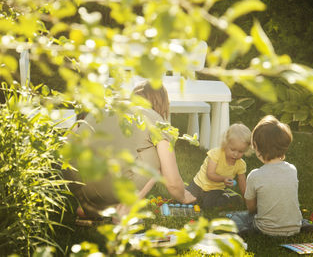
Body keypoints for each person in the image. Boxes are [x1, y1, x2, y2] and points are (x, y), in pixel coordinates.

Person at [64, 80, 196, 218]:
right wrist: (184, 196)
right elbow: (172, 182)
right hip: (109, 185)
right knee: (158, 161)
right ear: (162, 103)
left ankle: (89, 207)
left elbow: (71, 137)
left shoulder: (110, 108)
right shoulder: (155, 119)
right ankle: (123, 211)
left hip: (77, 180)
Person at [230, 115, 313, 236]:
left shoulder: (255, 175)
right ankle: (305, 225)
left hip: (266, 229)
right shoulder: (292, 170)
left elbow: (251, 207)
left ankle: (245, 231)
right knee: (291, 215)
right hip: (294, 226)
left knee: (236, 216)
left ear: (257, 147)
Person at [186, 123, 252, 209]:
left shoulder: (240, 164)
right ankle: (186, 189)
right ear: (225, 144)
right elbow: (210, 174)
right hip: (198, 185)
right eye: (232, 149)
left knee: (209, 205)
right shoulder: (216, 153)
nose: (236, 154)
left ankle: (229, 197)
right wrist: (223, 179)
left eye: (240, 152)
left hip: (214, 190)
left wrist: (246, 201)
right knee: (184, 201)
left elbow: (242, 183)